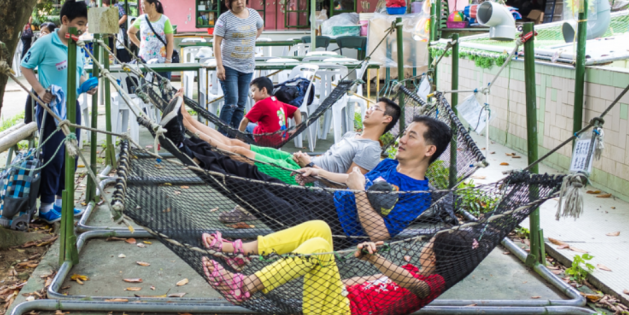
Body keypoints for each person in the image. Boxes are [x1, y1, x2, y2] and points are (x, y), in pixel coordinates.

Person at [163, 99, 451, 245]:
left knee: (252, 188)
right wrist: (318, 173)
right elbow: (351, 179)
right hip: (325, 200)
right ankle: (186, 142)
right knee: (254, 174)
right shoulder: (389, 166)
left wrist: (358, 192)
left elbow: (379, 235)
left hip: (334, 228)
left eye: (411, 136)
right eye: (405, 133)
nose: (402, 139)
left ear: (429, 150)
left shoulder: (418, 194)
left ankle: (185, 148)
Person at [200, 222, 483, 315]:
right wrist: (336, 279)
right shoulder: (412, 269)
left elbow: (416, 287)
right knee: (320, 229)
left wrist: (375, 259)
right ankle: (239, 252)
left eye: (428, 244)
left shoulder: (431, 285)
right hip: (334, 301)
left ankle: (244, 286)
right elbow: (366, 280)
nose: (423, 246)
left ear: (433, 257)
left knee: (318, 248)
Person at [177, 91, 398, 187]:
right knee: (239, 144)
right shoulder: (352, 135)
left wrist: (311, 167)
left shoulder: (371, 149)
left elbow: (349, 183)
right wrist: (308, 159)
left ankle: (186, 127)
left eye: (375, 109)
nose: (369, 110)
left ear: (386, 119)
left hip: (305, 179)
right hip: (302, 164)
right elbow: (330, 158)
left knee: (241, 153)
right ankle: (188, 119)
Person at [20, 0, 97, 222]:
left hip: (72, 107)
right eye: (79, 23)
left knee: (71, 155)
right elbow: (25, 66)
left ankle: (64, 202)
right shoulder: (46, 43)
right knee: (54, 156)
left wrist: (86, 85)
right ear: (64, 20)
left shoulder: (77, 45)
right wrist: (39, 90)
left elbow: (79, 73)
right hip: (51, 110)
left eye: (85, 25)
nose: (82, 29)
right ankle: (46, 207)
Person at [214, 0, 264, 126]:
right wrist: (219, 66)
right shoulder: (224, 19)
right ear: (229, 2)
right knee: (231, 102)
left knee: (241, 104)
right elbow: (216, 43)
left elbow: (260, 27)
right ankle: (222, 134)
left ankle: (235, 134)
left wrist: (250, 40)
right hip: (229, 67)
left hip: (247, 67)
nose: (239, 2)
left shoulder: (254, 15)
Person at [128, 0, 174, 79]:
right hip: (144, 60)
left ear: (152, 5)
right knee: (144, 85)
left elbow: (170, 41)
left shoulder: (164, 20)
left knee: (164, 86)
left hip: (162, 61)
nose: (141, 6)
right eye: (141, 4)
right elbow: (130, 32)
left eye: (143, 4)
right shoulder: (141, 19)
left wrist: (168, 59)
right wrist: (141, 45)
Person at [239, 76, 303, 137]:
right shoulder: (279, 103)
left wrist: (238, 137)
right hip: (282, 139)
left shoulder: (261, 104)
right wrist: (297, 130)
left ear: (263, 90)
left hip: (265, 139)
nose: (251, 95)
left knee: (247, 126)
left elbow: (245, 121)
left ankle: (240, 142)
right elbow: (296, 110)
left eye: (253, 90)